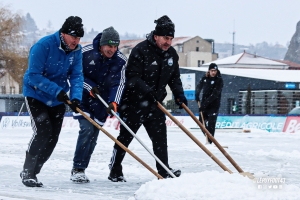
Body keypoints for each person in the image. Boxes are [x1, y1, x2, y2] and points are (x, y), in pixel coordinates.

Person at [108, 15, 187, 182]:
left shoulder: (171, 54)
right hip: (134, 103)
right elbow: (133, 78)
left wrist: (179, 95)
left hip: (155, 104)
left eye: (171, 39)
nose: (168, 42)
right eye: (166, 38)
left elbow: (174, 78)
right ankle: (115, 169)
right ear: (156, 36)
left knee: (160, 138)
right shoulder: (140, 50)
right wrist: (147, 91)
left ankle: (164, 170)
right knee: (125, 138)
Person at [20, 16, 84, 187]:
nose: (76, 42)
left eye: (79, 38)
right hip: (36, 94)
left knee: (53, 137)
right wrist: (57, 91)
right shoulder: (43, 46)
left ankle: (34, 172)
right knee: (43, 131)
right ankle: (27, 171)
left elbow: (77, 76)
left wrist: (76, 97)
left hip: (57, 99)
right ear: (63, 34)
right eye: (73, 37)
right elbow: (34, 76)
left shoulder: (77, 51)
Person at [70, 27, 126, 183]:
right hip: (82, 98)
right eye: (109, 46)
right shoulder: (85, 53)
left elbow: (119, 83)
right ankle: (78, 168)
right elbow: (75, 74)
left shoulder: (120, 60)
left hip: (102, 103)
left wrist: (114, 102)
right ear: (101, 45)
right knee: (87, 129)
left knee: (93, 136)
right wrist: (89, 87)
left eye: (115, 46)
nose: (112, 50)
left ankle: (82, 167)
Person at [195, 63, 223, 144]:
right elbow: (199, 86)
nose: (213, 72)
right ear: (209, 71)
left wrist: (204, 104)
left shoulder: (219, 80)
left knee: (211, 124)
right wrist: (196, 94)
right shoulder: (205, 78)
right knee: (201, 122)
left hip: (213, 106)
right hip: (204, 105)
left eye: (215, 71)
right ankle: (208, 137)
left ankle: (210, 141)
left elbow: (215, 94)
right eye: (212, 71)